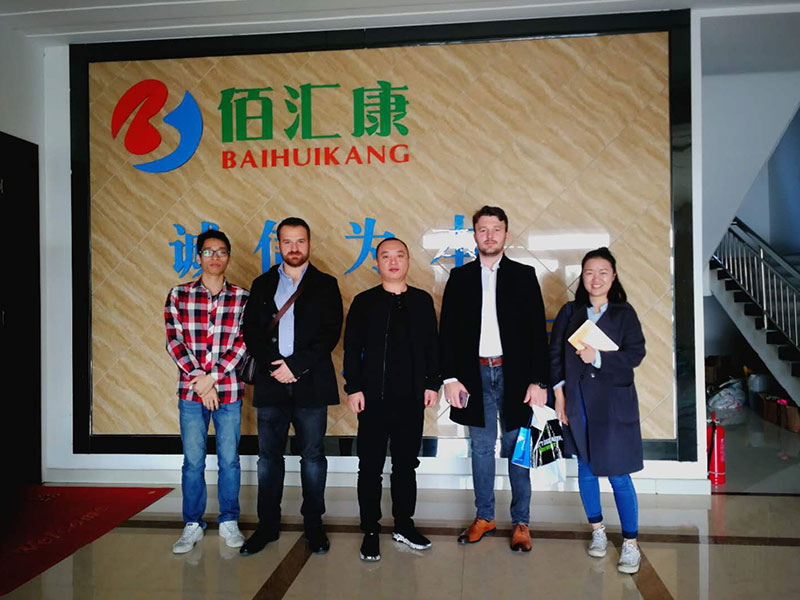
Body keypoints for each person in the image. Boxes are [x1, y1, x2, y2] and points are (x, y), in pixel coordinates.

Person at [439, 205, 549, 552]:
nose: (489, 236)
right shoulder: (460, 278)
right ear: (474, 235)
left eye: (496, 229)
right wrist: (450, 378)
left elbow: (537, 332)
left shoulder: (524, 275)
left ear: (506, 234)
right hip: (473, 375)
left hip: (515, 376)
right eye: (483, 230)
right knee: (482, 448)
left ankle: (521, 521)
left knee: (518, 448)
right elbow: (448, 332)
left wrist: (539, 381)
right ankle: (485, 516)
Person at [240, 217, 343, 555]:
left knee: (312, 457)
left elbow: (330, 333)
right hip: (271, 383)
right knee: (268, 458)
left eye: (300, 241)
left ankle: (314, 524)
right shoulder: (262, 283)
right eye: (287, 242)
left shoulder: (326, 284)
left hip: (310, 383)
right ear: (278, 245)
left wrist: (295, 366)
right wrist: (276, 365)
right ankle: (267, 525)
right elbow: (251, 331)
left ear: (309, 244)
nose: (294, 248)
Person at [549, 247, 646, 574]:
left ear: (613, 276)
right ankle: (598, 530)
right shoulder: (570, 312)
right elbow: (554, 355)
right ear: (582, 276)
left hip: (613, 403)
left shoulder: (624, 314)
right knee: (586, 468)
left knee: (618, 472)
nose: (596, 278)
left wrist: (599, 357)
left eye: (603, 272)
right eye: (590, 272)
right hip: (577, 401)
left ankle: (630, 543)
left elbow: (635, 354)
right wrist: (559, 396)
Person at [343, 238, 441, 562]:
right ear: (378, 263)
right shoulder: (365, 302)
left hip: (411, 399)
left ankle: (403, 525)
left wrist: (432, 384)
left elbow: (432, 347)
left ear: (409, 261)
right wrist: (353, 388)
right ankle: (370, 530)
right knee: (369, 466)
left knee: (406, 466)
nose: (393, 261)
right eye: (386, 256)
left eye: (400, 255)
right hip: (372, 399)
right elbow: (351, 348)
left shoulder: (421, 301)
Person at [164, 229, 249, 554]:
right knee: (193, 461)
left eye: (221, 251)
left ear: (228, 257)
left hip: (228, 391)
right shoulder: (179, 294)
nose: (215, 257)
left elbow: (243, 343)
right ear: (198, 256)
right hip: (191, 392)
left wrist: (211, 377)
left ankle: (229, 519)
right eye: (209, 251)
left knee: (230, 460)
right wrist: (200, 380)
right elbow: (174, 341)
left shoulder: (241, 297)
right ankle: (192, 523)